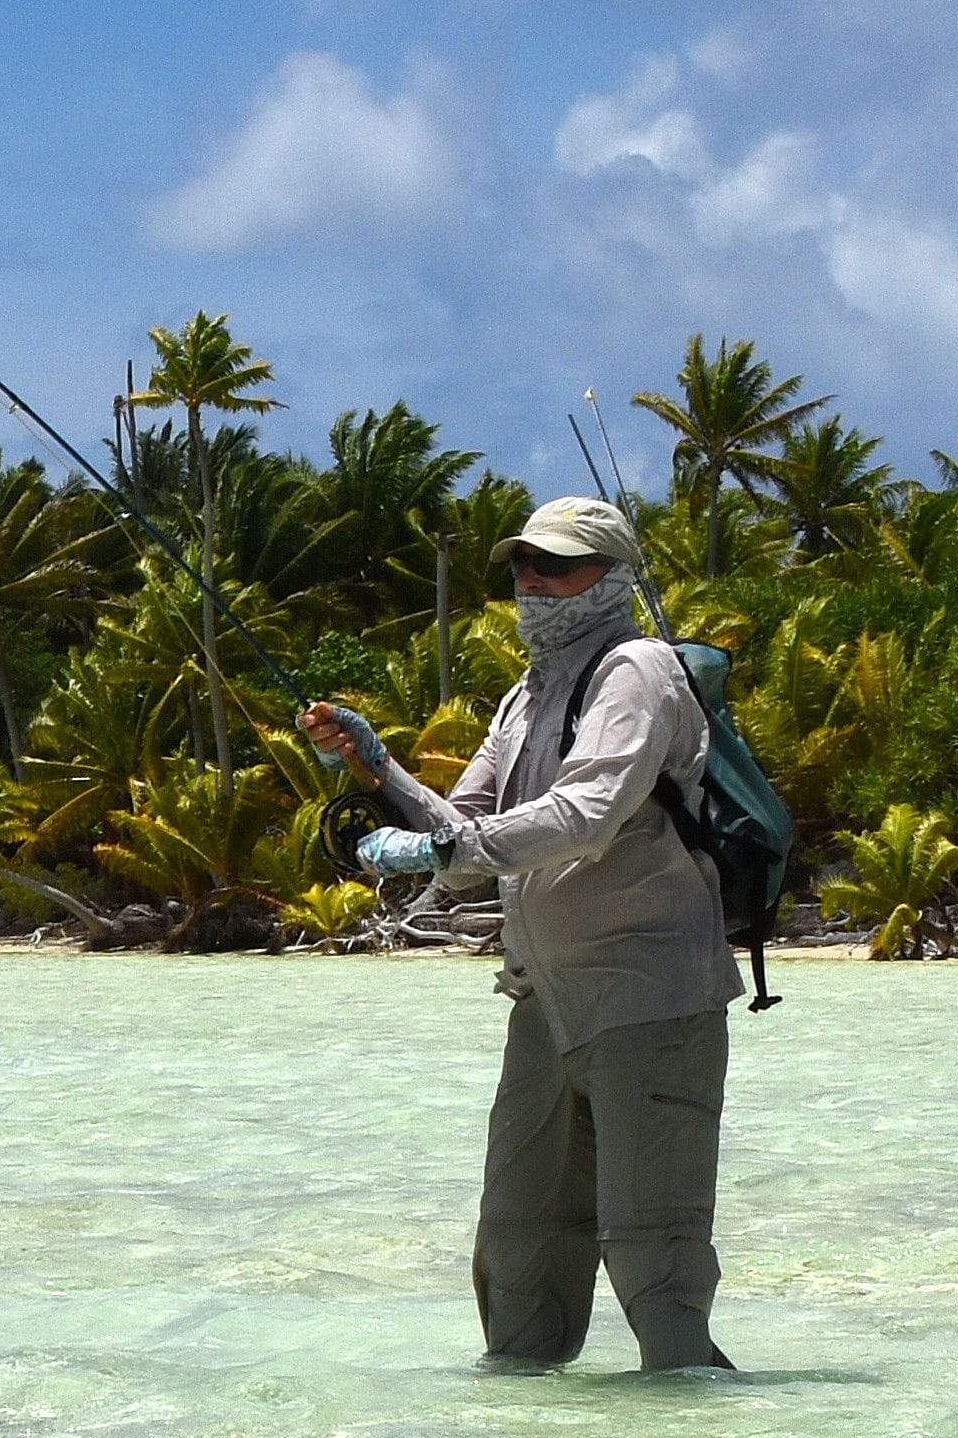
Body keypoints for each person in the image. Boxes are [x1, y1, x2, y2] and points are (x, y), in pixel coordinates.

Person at [307, 497, 737, 1375]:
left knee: (653, 1249)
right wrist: (377, 769)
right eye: (521, 565)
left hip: (646, 1000)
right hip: (542, 1006)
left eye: (557, 564)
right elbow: (463, 827)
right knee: (518, 1242)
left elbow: (585, 816)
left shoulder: (637, 671)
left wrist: (437, 847)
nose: (532, 581)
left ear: (613, 576)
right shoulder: (526, 691)